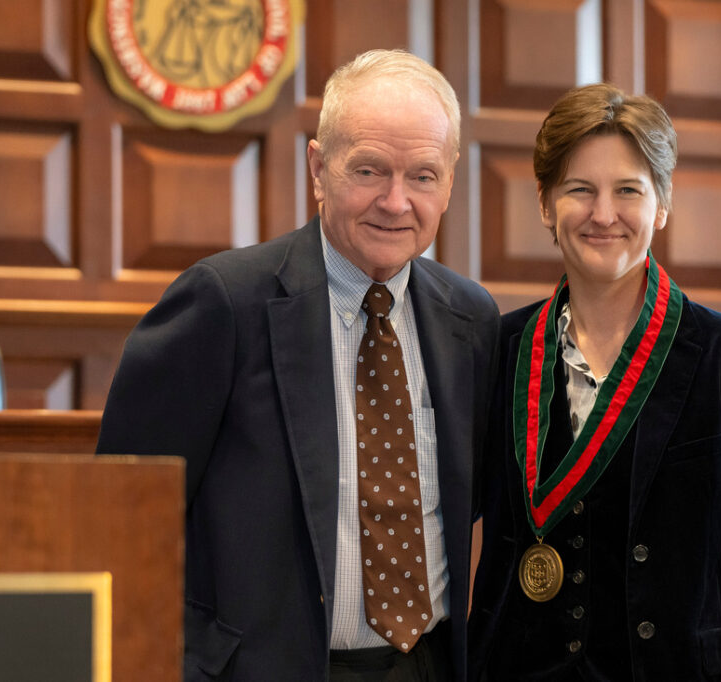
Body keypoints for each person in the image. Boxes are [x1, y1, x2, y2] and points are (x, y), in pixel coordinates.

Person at [97, 49, 500, 681]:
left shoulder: (471, 319)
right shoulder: (224, 303)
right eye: (369, 170)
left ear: (449, 182)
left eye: (423, 176)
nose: (396, 202)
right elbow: (121, 511)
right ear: (318, 168)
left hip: (428, 665)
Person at [468, 84, 721, 680]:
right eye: (579, 190)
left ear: (664, 204)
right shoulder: (495, 351)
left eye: (628, 190)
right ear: (545, 204)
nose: (604, 215)